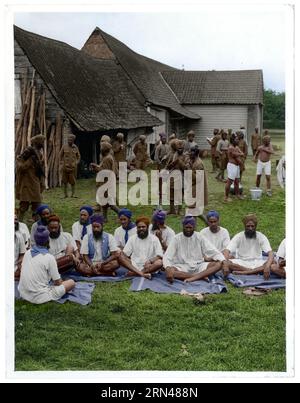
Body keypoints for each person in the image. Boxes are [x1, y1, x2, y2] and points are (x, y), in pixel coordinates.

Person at [18, 226, 75, 304]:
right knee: (71, 282)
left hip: (23, 293)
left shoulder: (28, 253)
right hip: (39, 297)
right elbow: (58, 283)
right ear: (48, 241)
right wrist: (61, 281)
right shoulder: (49, 257)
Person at [163, 215, 225, 283]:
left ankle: (193, 277)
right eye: (186, 227)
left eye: (190, 227)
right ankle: (200, 277)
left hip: (199, 265)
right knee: (171, 271)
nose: (188, 230)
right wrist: (168, 268)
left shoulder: (199, 237)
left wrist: (223, 260)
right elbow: (167, 256)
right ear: (183, 226)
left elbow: (212, 251)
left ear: (194, 227)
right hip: (183, 266)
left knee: (218, 264)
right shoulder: (176, 239)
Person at [222, 214, 273, 279]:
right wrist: (225, 264)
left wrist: (267, 266)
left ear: (256, 226)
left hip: (257, 262)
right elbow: (227, 250)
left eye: (252, 226)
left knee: (272, 262)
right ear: (244, 226)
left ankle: (245, 272)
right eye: (248, 226)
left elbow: (270, 253)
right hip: (242, 262)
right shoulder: (239, 236)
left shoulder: (261, 236)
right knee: (227, 263)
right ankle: (254, 272)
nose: (250, 228)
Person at [16, 134, 45, 221]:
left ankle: (37, 222)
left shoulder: (38, 153)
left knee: (37, 204)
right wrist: (19, 160)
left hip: (34, 182)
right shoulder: (32, 154)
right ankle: (19, 222)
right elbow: (22, 167)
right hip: (28, 184)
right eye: (42, 141)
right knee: (24, 205)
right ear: (38, 142)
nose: (43, 143)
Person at [90, 142, 119, 220]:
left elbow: (105, 172)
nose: (100, 150)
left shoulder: (107, 159)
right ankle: (105, 218)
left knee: (110, 203)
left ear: (104, 149)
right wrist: (97, 166)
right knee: (104, 203)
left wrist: (96, 168)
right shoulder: (107, 157)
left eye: (101, 148)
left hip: (106, 183)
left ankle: (122, 214)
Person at [185, 145, 208, 223]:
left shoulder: (199, 164)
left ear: (196, 154)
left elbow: (198, 179)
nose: (190, 154)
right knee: (194, 209)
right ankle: (207, 222)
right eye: (190, 152)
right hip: (192, 187)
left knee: (192, 209)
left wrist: (188, 169)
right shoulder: (192, 160)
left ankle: (195, 227)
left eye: (192, 152)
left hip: (197, 188)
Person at [166, 139, 188, 215]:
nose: (180, 150)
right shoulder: (172, 155)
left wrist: (179, 162)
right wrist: (173, 163)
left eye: (181, 148)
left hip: (181, 176)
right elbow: (167, 166)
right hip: (172, 176)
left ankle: (179, 210)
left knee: (180, 194)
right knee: (171, 193)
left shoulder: (185, 156)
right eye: (178, 148)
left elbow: (186, 168)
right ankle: (172, 210)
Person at [224, 133, 244, 202]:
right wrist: (240, 154)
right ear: (232, 140)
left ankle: (237, 194)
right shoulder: (231, 147)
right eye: (236, 139)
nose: (238, 140)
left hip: (237, 166)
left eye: (238, 139)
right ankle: (226, 197)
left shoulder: (236, 147)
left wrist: (240, 154)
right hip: (232, 166)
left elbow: (241, 153)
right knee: (229, 181)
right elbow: (236, 155)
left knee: (237, 181)